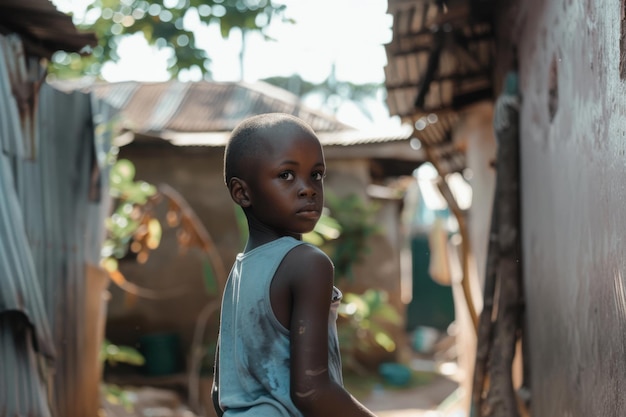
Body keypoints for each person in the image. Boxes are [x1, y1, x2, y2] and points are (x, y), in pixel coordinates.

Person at [212, 113, 378, 417]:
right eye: (287, 175)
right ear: (242, 192)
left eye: (316, 174)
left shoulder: (239, 273)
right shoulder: (307, 263)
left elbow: (220, 393)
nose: (308, 188)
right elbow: (312, 392)